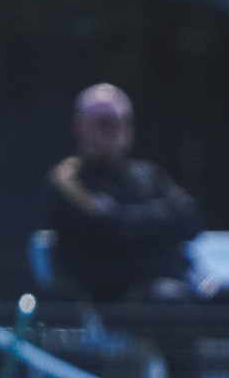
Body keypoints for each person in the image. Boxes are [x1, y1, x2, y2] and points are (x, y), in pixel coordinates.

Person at [45, 83, 204, 304]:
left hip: (174, 287)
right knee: (170, 302)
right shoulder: (69, 181)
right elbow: (110, 231)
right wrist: (157, 221)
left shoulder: (148, 174)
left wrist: (125, 217)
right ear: (79, 126)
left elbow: (189, 219)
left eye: (122, 121)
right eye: (104, 123)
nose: (115, 130)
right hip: (115, 299)